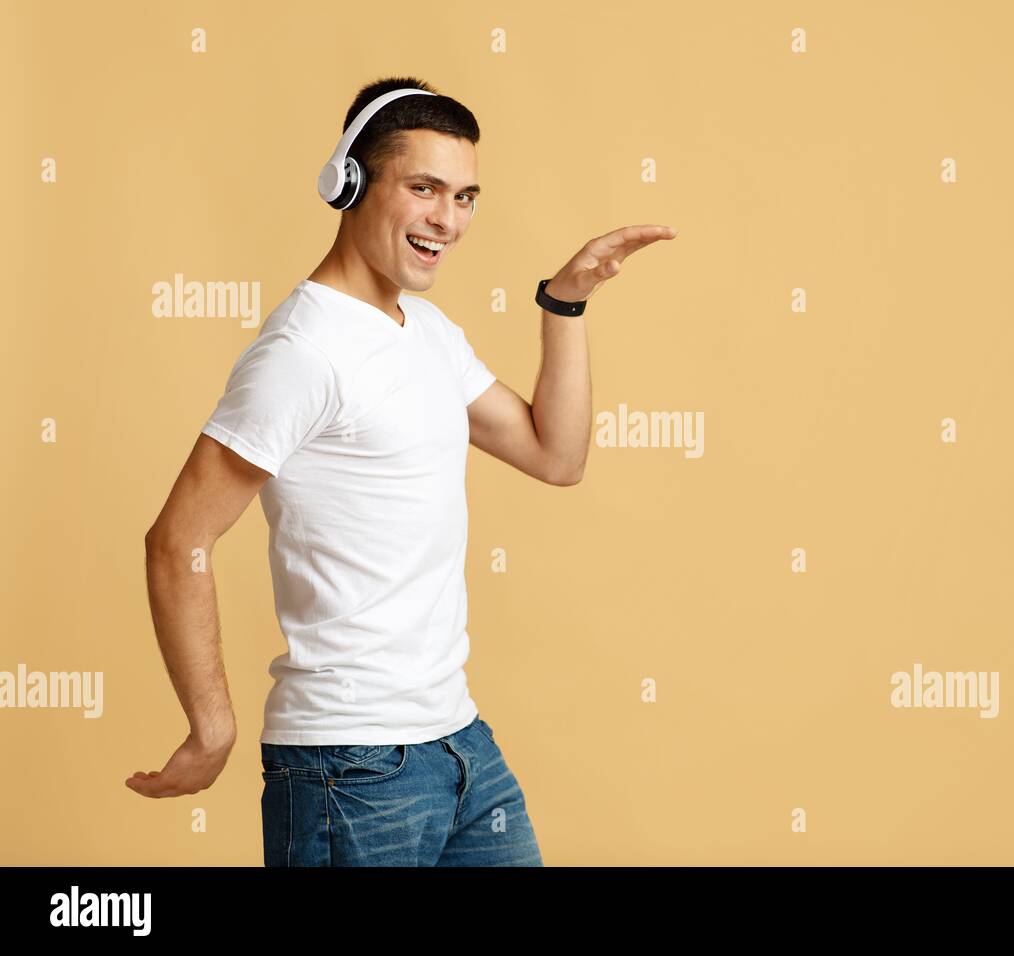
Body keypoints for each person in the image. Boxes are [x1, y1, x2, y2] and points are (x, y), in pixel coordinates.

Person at [129, 75, 676, 866]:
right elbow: (176, 540)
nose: (447, 220)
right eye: (424, 189)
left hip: (458, 745)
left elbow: (555, 457)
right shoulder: (302, 353)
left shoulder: (424, 328)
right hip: (346, 769)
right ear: (349, 182)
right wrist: (211, 725)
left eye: (465, 197)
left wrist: (564, 304)